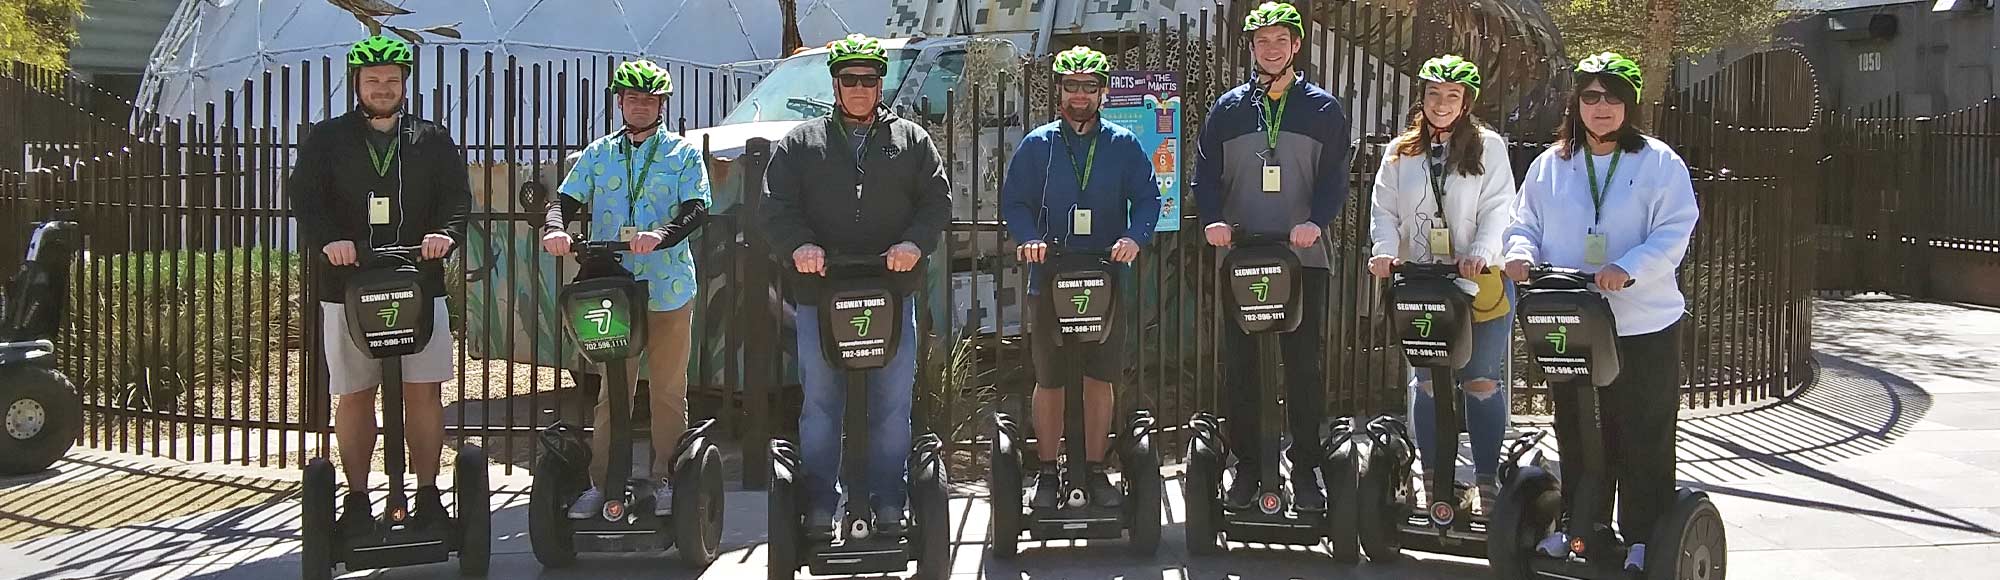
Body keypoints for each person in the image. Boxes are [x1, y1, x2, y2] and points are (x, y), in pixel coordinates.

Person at [1502, 52, 1699, 573]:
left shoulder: (1659, 162)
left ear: (1629, 104)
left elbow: (1673, 231)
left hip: (1640, 321)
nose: (1602, 107)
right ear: (1577, 104)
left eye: (1613, 97)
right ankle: (1578, 526)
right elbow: (1524, 221)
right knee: (1577, 428)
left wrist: (1627, 268)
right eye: (1591, 97)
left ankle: (1643, 536)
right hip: (1573, 319)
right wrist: (1519, 252)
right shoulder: (1552, 164)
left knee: (1641, 429)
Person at [757, 33, 952, 538]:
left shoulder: (911, 141)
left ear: (880, 83)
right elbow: (775, 207)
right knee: (822, 403)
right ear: (837, 85)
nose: (860, 88)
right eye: (850, 80)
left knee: (891, 403)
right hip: (820, 295)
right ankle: (821, 503)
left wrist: (914, 242)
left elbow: (936, 201)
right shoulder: (803, 143)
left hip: (892, 291)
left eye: (869, 79)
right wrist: (799, 246)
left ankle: (890, 501)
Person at [292, 34, 470, 533]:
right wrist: (331, 240)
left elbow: (457, 198)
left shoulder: (430, 138)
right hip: (346, 285)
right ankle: (356, 496)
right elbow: (305, 200)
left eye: (392, 80)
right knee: (353, 394)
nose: (383, 88)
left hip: (419, 282)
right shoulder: (327, 139)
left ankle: (429, 492)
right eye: (373, 80)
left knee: (424, 391)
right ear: (357, 84)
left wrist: (445, 235)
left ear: (405, 85)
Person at [1191, 1, 1352, 512]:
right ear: (1252, 48)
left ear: (1296, 46)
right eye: (1262, 41)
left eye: (1280, 40)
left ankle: (1305, 469)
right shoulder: (1229, 108)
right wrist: (1213, 220)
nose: (1271, 48)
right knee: (1240, 368)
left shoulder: (1323, 108)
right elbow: (1204, 174)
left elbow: (1335, 180)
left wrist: (1316, 222)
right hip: (1241, 259)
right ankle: (1248, 469)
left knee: (1302, 367)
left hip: (1303, 259)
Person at [541, 59, 712, 519]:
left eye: (650, 99)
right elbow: (564, 200)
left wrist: (662, 235)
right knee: (612, 389)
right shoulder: (598, 153)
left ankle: (668, 479)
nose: (641, 105)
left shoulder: (682, 153)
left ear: (661, 105)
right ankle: (604, 482)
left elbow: (697, 208)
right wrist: (556, 229)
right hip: (612, 287)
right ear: (620, 103)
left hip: (667, 286)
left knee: (668, 390)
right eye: (633, 98)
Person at [999, 46, 1161, 510]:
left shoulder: (1122, 145)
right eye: (1072, 87)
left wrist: (1134, 236)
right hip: (1050, 273)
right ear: (1059, 92)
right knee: (1050, 378)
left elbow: (1148, 199)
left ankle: (1093, 468)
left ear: (1102, 92)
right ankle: (1048, 472)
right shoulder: (1038, 145)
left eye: (1089, 87)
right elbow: (1015, 203)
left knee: (1099, 376)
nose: (1080, 96)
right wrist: (1028, 238)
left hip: (1105, 274)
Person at [1366, 54, 1518, 511]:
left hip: (1479, 283)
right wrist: (1384, 251)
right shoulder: (1401, 151)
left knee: (1480, 381)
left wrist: (1482, 254)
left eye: (1452, 95)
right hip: (1424, 286)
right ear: (1423, 98)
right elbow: (1384, 210)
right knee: (1429, 382)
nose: (1442, 103)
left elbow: (1498, 208)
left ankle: (1486, 481)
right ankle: (1434, 476)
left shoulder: (1489, 147)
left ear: (1466, 101)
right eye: (1434, 94)